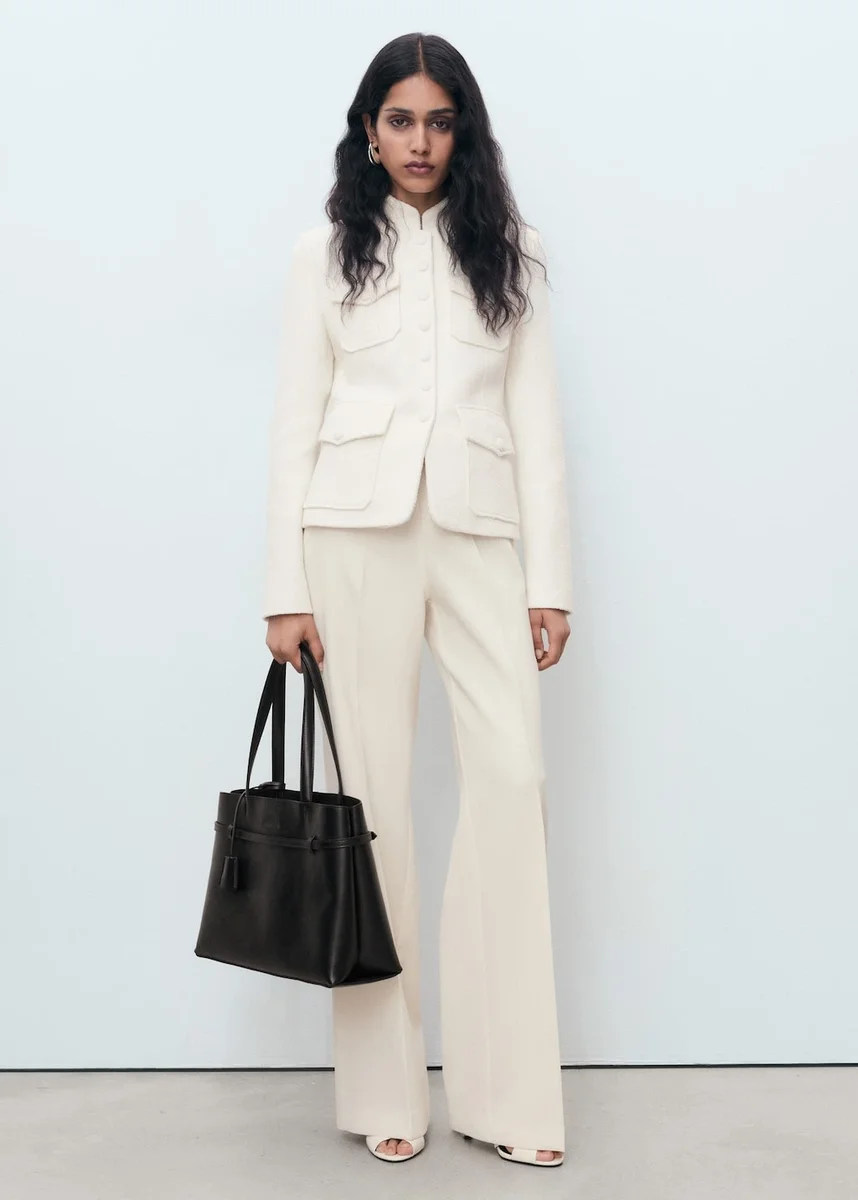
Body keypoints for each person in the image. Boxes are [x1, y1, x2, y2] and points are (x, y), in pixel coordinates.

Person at [262, 31, 574, 1168]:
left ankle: (511, 1100)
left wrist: (550, 582)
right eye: (400, 120)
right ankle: (386, 1093)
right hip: (352, 538)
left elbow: (537, 420)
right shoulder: (325, 254)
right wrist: (283, 589)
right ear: (369, 129)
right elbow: (295, 422)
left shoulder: (512, 252)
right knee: (373, 802)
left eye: (440, 121)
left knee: (512, 783)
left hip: (481, 539)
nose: (420, 142)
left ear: (464, 132)